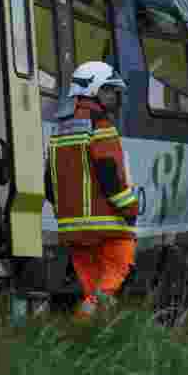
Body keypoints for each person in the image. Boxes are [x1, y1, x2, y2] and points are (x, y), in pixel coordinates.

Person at [44, 61, 139, 319]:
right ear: (94, 89)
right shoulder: (101, 126)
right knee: (117, 269)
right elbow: (112, 176)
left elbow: (49, 184)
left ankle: (89, 331)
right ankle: (92, 321)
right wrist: (130, 208)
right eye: (110, 91)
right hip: (105, 225)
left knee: (91, 287)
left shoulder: (59, 129)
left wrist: (66, 213)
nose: (114, 97)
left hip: (70, 228)